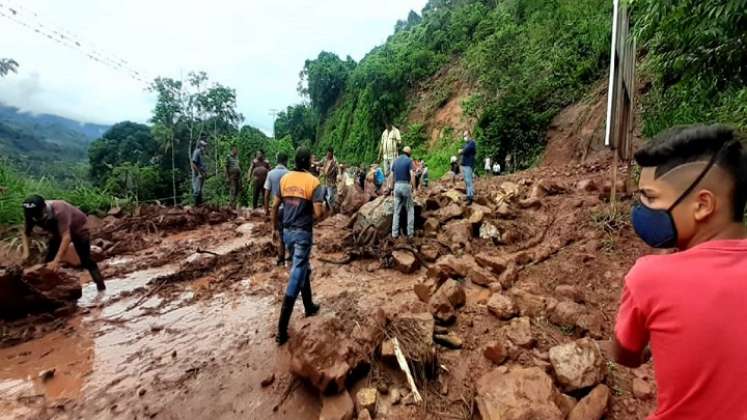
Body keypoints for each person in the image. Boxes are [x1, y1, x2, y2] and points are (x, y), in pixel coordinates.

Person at [609, 125, 747, 419]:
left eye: (651, 197)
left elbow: (624, 354)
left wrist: (647, 350)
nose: (641, 208)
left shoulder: (649, 277)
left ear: (702, 205)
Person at [272, 147, 326, 345]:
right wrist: (320, 212)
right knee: (297, 274)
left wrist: (274, 229)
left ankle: (309, 305)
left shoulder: (285, 179)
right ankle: (281, 329)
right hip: (303, 233)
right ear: (308, 163)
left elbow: (275, 206)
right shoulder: (313, 182)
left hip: (286, 232)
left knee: (304, 268)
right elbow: (319, 214)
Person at [21, 195, 106, 291]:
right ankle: (50, 289)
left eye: (38, 215)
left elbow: (66, 237)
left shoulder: (60, 210)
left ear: (44, 208)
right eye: (33, 216)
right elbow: (25, 233)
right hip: (58, 231)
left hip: (79, 229)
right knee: (48, 261)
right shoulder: (30, 214)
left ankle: (101, 287)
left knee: (86, 260)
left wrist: (57, 261)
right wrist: (26, 253)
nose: (36, 217)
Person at [264, 152, 290, 266]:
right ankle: (291, 258)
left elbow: (266, 194)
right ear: (286, 161)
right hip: (289, 209)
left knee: (279, 234)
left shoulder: (270, 174)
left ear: (277, 160)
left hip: (277, 209)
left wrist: (267, 210)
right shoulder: (289, 174)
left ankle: (281, 258)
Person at [391, 146, 416, 239]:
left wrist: (390, 188)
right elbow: (412, 175)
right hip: (405, 185)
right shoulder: (409, 161)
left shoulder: (396, 161)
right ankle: (410, 233)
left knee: (396, 211)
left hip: (396, 186)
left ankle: (394, 234)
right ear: (409, 154)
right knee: (410, 210)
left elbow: (391, 175)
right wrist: (414, 188)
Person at [460, 130, 477, 205]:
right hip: (465, 164)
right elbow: (463, 151)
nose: (464, 137)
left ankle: (470, 198)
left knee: (469, 181)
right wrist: (462, 151)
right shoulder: (466, 144)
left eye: (466, 135)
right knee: (467, 182)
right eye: (464, 136)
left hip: (469, 164)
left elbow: (465, 151)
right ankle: (468, 195)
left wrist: (462, 151)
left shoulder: (472, 143)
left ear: (469, 135)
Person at [321, 147, 339, 212]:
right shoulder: (325, 159)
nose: (327, 154)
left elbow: (338, 168)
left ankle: (332, 210)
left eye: (329, 153)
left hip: (331, 182)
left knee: (330, 197)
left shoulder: (334, 161)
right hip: (325, 181)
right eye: (327, 153)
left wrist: (339, 175)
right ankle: (328, 209)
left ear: (331, 153)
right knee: (323, 195)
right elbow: (319, 163)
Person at [191, 141, 208, 206]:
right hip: (197, 174)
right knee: (197, 190)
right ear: (200, 146)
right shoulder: (197, 152)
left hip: (202, 173)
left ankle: (199, 205)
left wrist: (205, 172)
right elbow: (193, 163)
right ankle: (196, 206)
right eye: (203, 146)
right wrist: (198, 173)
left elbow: (203, 165)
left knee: (200, 190)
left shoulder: (202, 154)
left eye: (205, 146)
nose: (204, 147)